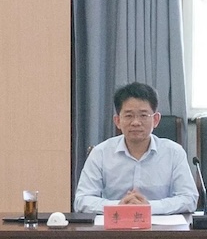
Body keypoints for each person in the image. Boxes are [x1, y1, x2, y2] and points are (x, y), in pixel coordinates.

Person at [74, 82, 198, 215]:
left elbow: (189, 198)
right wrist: (119, 206)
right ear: (117, 121)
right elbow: (82, 200)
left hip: (159, 226)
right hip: (115, 225)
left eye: (143, 115)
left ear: (156, 119)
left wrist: (149, 207)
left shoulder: (174, 152)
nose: (136, 122)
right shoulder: (100, 153)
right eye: (129, 116)